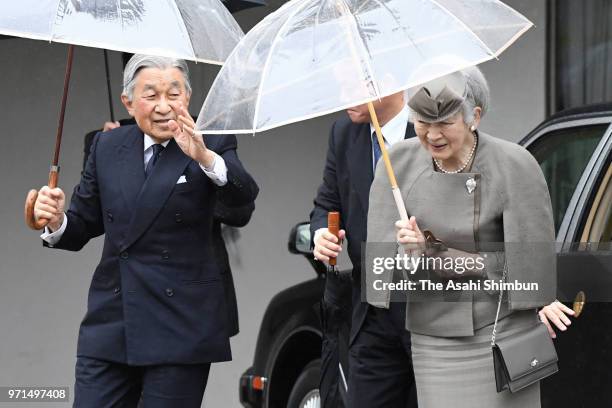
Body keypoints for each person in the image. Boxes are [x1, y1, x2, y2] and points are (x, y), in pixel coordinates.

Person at [33, 54, 258, 407]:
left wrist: (205, 158)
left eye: (174, 94)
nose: (164, 106)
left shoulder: (210, 140)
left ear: (188, 97)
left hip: (181, 323)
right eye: (151, 95)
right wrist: (56, 219)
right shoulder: (107, 146)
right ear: (128, 101)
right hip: (112, 320)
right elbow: (83, 223)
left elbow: (242, 203)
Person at [366, 66, 575, 407]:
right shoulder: (397, 164)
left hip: (500, 333)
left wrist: (436, 253)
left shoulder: (513, 164)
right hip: (433, 337)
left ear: (474, 117)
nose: (432, 134)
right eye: (422, 121)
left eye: (445, 122)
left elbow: (526, 269)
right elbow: (383, 271)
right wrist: (409, 256)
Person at [310, 91, 418, 408]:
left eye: (354, 84)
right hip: (370, 305)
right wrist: (321, 234)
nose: (344, 95)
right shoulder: (343, 133)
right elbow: (326, 203)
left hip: (424, 301)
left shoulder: (428, 127)